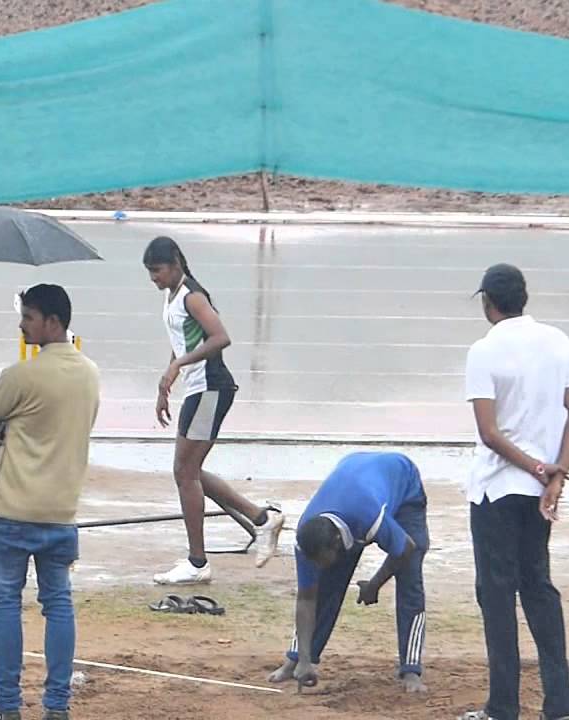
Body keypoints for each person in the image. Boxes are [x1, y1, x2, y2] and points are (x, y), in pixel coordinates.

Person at [460, 263, 569, 720]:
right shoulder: (558, 341)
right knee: (538, 588)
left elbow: (489, 433)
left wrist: (538, 468)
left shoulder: (483, 350)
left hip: (498, 489)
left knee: (497, 596)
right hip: (539, 491)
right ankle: (560, 704)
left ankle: (503, 708)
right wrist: (555, 475)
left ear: (488, 303)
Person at [0, 284, 100, 720]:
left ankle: (7, 707)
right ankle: (56, 706)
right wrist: (12, 428)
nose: (22, 324)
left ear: (53, 321)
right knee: (58, 603)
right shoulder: (89, 373)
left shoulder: (22, 375)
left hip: (12, 512)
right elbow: (53, 427)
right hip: (61, 513)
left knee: (6, 604)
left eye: (28, 317)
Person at [141, 236, 284, 585]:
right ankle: (262, 519)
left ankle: (198, 562)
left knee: (185, 472)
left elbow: (220, 337)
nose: (153, 279)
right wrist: (167, 379)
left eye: (157, 271)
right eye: (149, 273)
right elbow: (182, 341)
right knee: (188, 471)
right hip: (196, 389)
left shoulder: (192, 296)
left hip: (211, 389)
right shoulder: (171, 296)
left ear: (175, 264)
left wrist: (181, 365)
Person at [267, 452, 430, 694]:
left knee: (409, 577)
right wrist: (303, 659)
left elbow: (405, 548)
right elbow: (306, 598)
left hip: (403, 485)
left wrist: (374, 584)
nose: (317, 566)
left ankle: (411, 669)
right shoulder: (307, 540)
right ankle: (296, 660)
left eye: (321, 560)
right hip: (355, 475)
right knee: (325, 585)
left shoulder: (369, 517)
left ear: (336, 542)